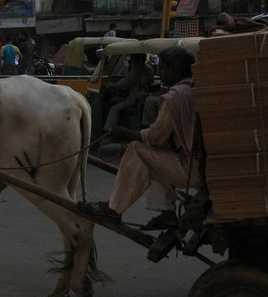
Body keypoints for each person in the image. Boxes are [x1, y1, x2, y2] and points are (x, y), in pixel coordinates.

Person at [79, 46, 201, 230]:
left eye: (163, 69)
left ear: (174, 70)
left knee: (137, 149)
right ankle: (167, 213)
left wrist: (124, 133)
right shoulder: (192, 88)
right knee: (157, 153)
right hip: (196, 163)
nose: (160, 73)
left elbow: (154, 137)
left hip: (193, 168)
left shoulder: (175, 97)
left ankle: (113, 208)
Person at [102, 53, 152, 132]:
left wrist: (113, 85)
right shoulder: (148, 70)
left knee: (113, 109)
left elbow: (125, 82)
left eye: (132, 58)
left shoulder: (137, 70)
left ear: (136, 59)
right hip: (140, 97)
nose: (130, 60)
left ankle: (108, 131)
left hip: (134, 98)